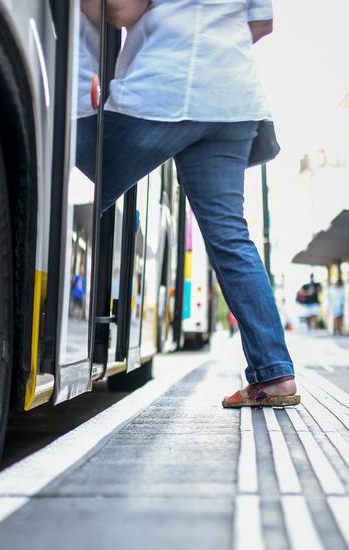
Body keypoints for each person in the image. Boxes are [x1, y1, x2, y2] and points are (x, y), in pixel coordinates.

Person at [76, 0, 298, 407]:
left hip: (164, 91)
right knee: (231, 239)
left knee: (75, 184)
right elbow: (262, 23)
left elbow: (117, 11)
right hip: (233, 101)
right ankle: (275, 375)